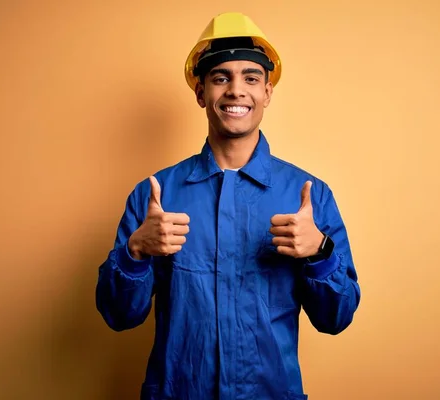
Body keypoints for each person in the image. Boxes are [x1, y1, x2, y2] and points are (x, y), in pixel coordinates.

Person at [96, 12, 361, 400]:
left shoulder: (308, 195)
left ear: (267, 92)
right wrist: (135, 253)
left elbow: (336, 319)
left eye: (251, 78)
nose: (236, 90)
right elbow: (119, 316)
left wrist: (320, 253)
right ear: (201, 92)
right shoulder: (155, 195)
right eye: (221, 77)